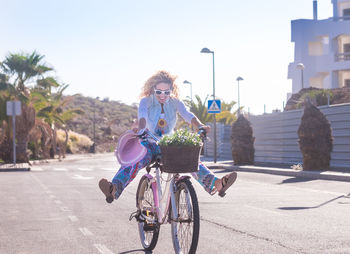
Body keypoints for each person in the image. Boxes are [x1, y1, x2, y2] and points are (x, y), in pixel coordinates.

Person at [99, 70, 237, 202]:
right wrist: (140, 129)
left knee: (191, 159)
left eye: (167, 92)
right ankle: (114, 188)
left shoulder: (175, 102)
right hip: (149, 143)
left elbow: (188, 115)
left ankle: (217, 184)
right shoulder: (146, 101)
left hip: (169, 145)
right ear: (153, 89)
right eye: (159, 92)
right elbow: (142, 117)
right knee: (135, 160)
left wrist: (200, 126)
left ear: (171, 89)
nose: (163, 95)